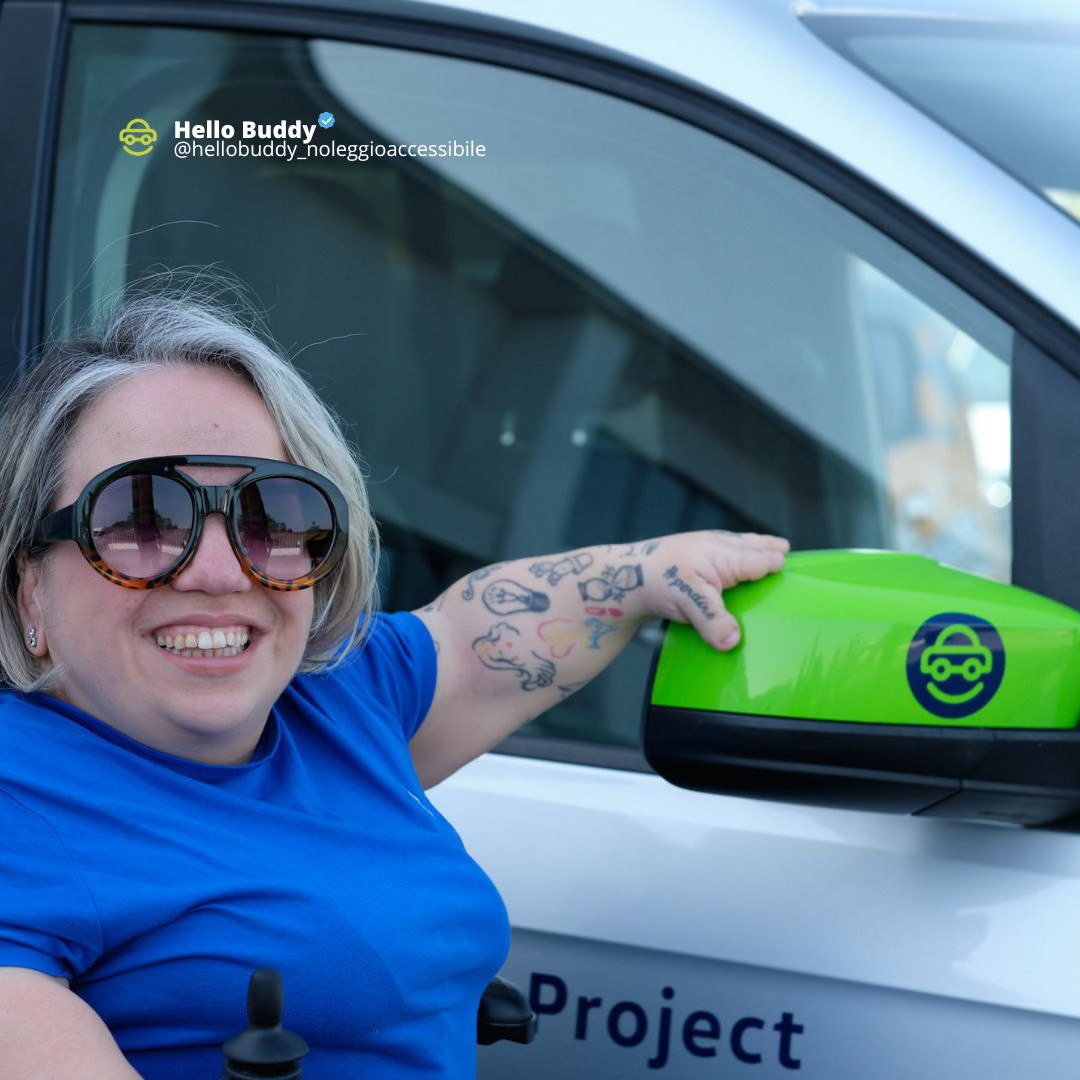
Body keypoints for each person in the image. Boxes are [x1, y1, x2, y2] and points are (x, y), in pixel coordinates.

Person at [0, 289, 788, 1079]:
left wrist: (652, 570)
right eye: (139, 520)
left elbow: (470, 637)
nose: (220, 571)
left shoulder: (332, 695)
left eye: (272, 517)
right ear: (30, 586)